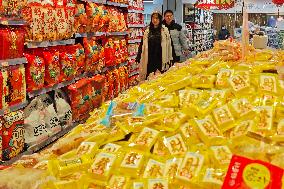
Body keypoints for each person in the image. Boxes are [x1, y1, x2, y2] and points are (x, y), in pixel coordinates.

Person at [136, 11, 172, 80]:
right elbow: (142, 44)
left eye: (157, 18)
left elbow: (169, 45)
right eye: (153, 18)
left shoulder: (165, 30)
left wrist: (171, 59)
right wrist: (138, 57)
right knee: (149, 78)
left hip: (160, 59)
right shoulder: (147, 31)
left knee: (160, 79)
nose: (155, 20)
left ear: (160, 19)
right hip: (149, 59)